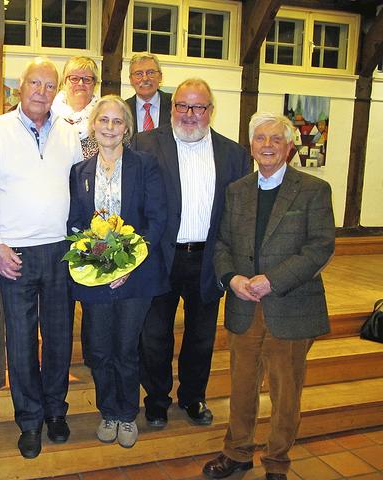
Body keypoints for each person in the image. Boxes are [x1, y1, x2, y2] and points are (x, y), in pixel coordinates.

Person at [203, 112, 335, 480]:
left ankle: (277, 461)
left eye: (276, 139)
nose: (267, 146)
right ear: (251, 146)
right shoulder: (237, 190)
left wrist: (272, 281)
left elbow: (320, 247)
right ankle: (237, 453)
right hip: (244, 304)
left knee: (285, 392)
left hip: (290, 305)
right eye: (260, 139)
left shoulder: (312, 190)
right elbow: (223, 243)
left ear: (289, 146)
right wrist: (232, 278)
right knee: (242, 388)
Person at [0, 57, 82, 459]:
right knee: (21, 343)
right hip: (14, 252)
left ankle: (56, 411)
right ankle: (29, 420)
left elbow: (79, 189)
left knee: (58, 338)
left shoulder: (69, 133)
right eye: (34, 83)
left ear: (57, 91)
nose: (42, 91)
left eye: (49, 85)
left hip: (60, 251)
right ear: (19, 88)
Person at [131, 78, 251, 428]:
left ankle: (193, 396)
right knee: (154, 336)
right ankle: (156, 399)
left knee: (201, 336)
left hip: (209, 260)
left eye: (198, 107)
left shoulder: (234, 155)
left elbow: (239, 217)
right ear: (172, 108)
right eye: (182, 106)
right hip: (159, 259)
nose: (189, 114)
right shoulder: (144, 145)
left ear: (210, 111)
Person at [67, 95, 168, 448]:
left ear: (127, 128)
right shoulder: (79, 172)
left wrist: (126, 263)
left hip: (136, 276)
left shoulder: (145, 165)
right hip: (96, 276)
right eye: (103, 121)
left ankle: (126, 415)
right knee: (98, 349)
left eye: (117, 122)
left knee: (125, 348)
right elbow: (77, 224)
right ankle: (107, 411)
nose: (110, 128)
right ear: (93, 125)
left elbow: (157, 220)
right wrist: (98, 261)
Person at [52, 55, 101, 160]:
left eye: (87, 79)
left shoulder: (104, 118)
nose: (80, 83)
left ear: (95, 84)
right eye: (74, 78)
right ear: (64, 82)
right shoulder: (48, 116)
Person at [125, 52, 172, 132]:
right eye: (138, 74)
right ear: (131, 80)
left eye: (150, 73)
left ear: (160, 77)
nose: (145, 78)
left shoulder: (175, 104)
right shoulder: (124, 109)